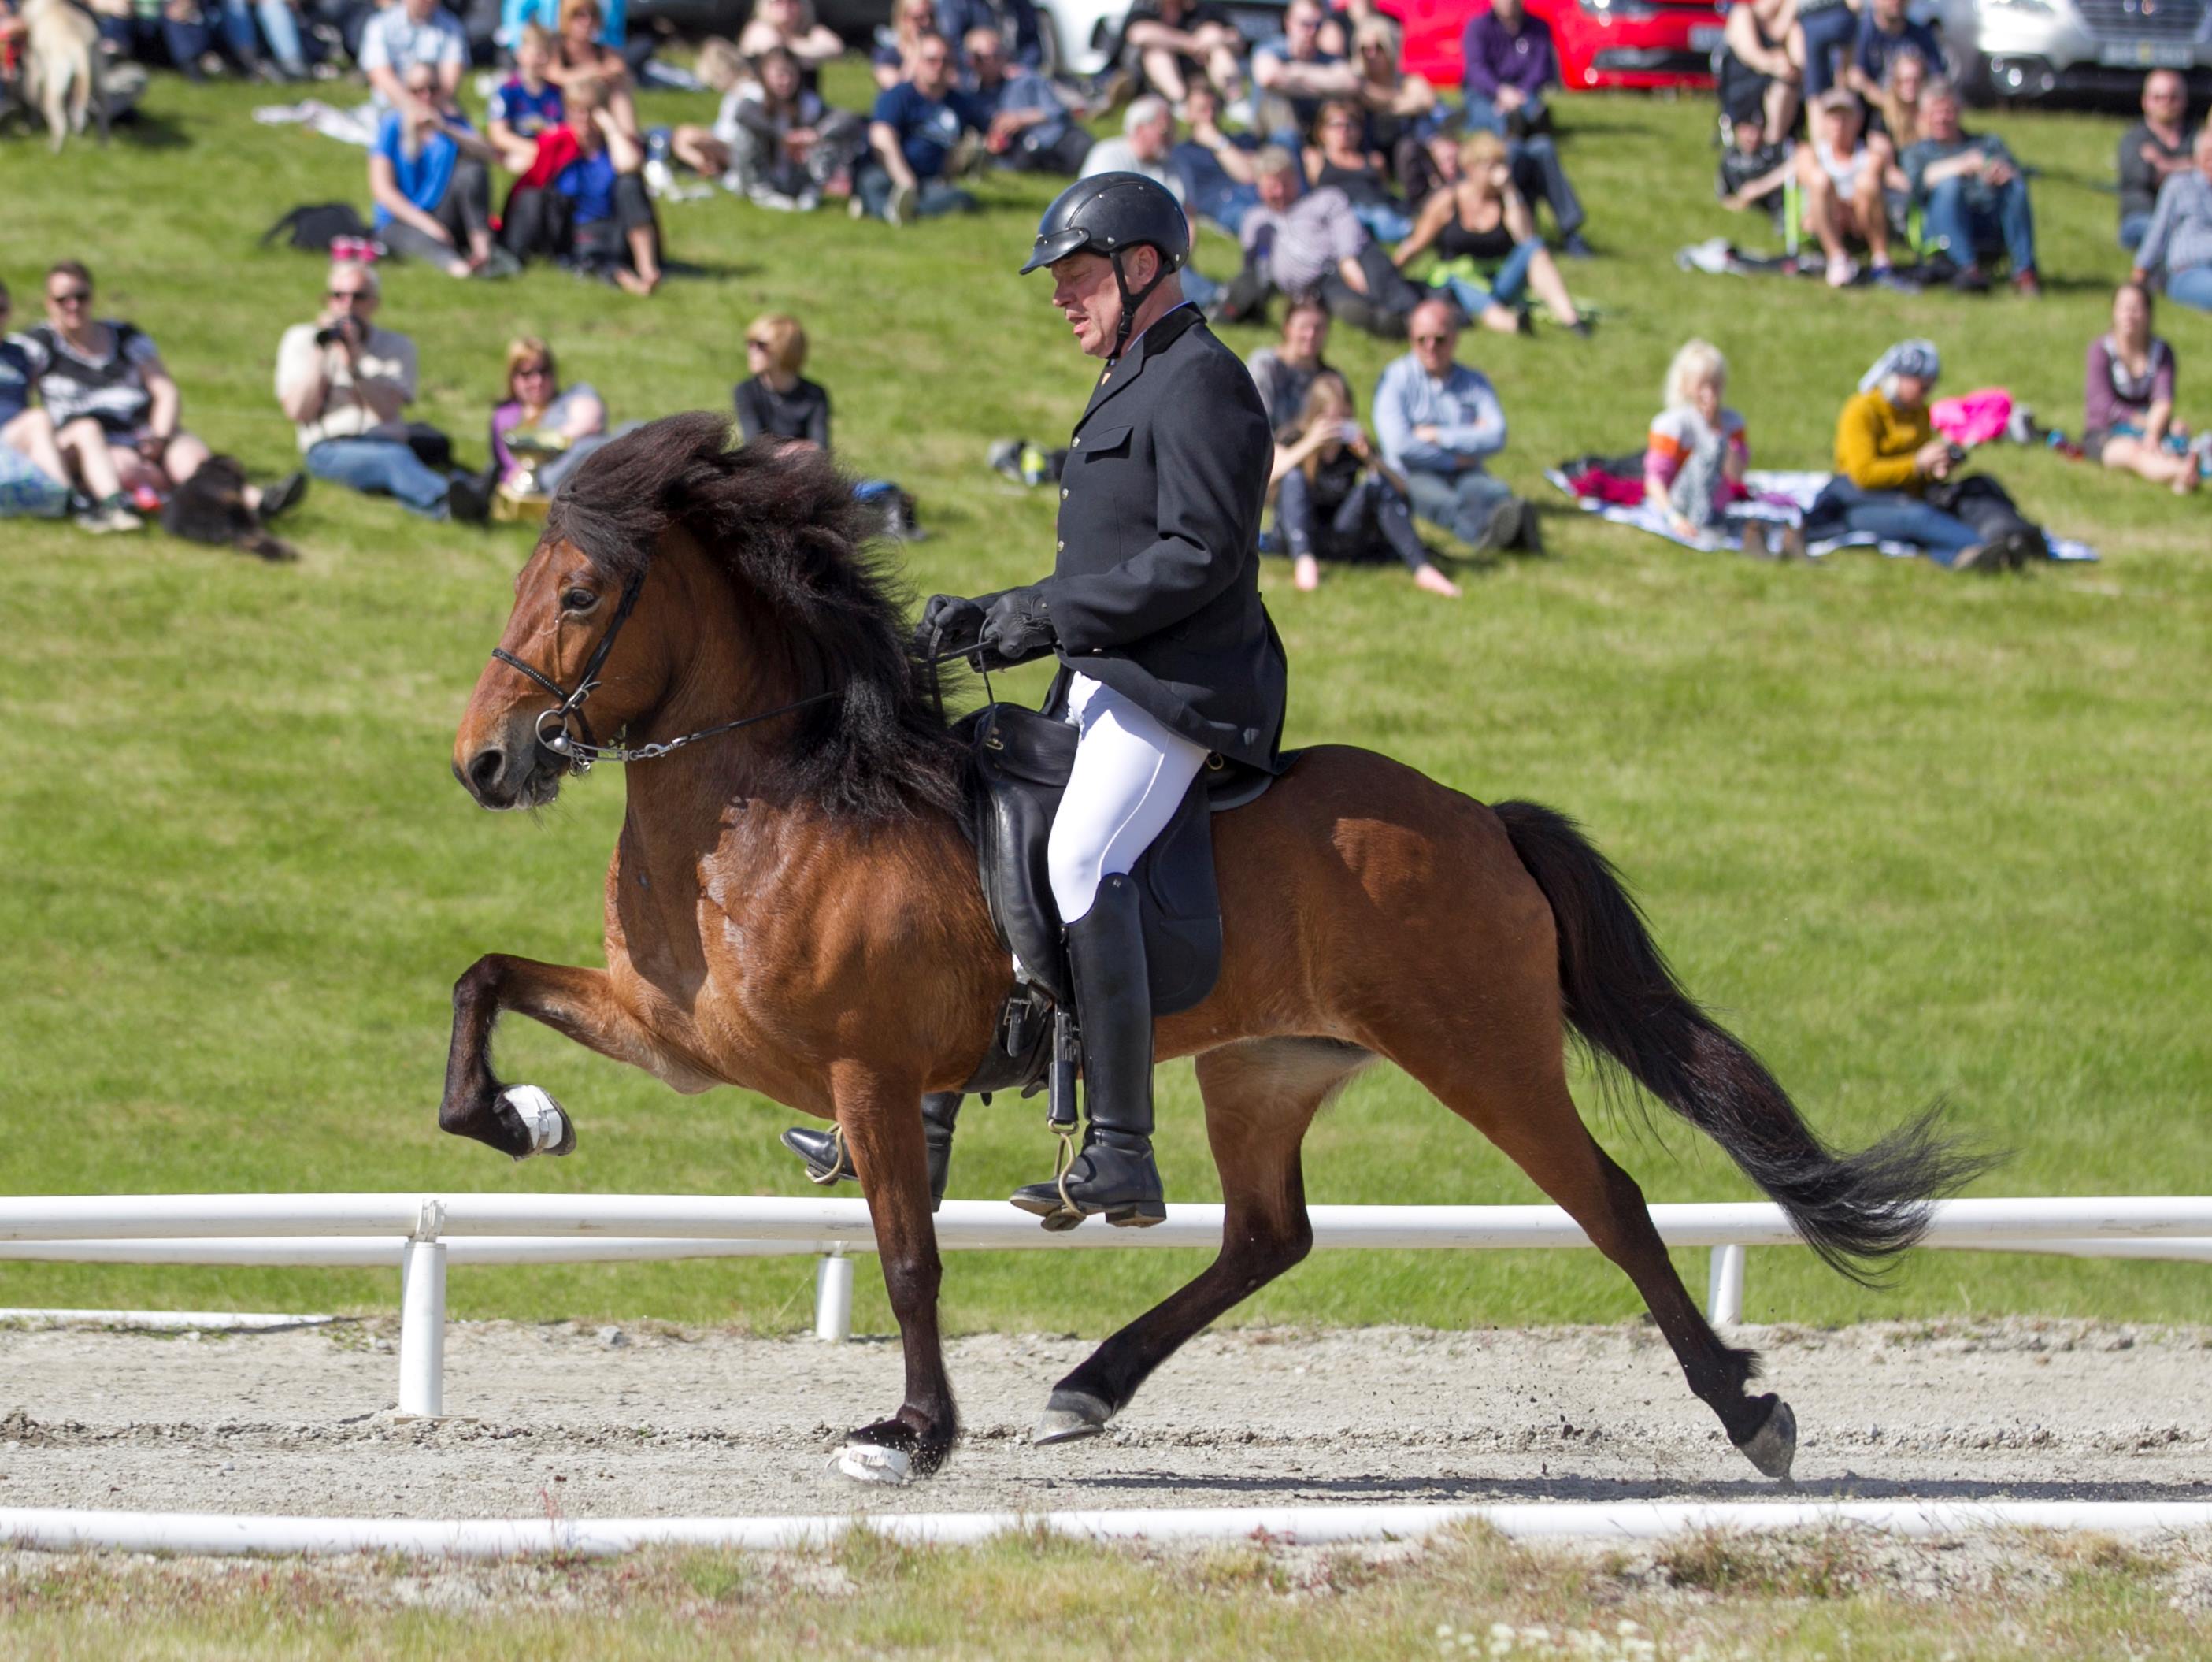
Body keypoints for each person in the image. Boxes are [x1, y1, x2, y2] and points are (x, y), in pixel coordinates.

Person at [877, 173, 1280, 1230]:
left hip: (1179, 688)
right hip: (1108, 672)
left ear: (1142, 266)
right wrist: (998, 616)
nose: (1062, 296)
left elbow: (1200, 555)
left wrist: (1044, 610)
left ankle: (1123, 1151)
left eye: (1079, 274)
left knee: (1079, 856)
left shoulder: (1200, 380)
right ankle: (903, 1117)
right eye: (1058, 279)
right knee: (969, 819)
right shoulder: (1134, 373)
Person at [19, 261, 300, 530]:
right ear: (49, 304)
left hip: (146, 431)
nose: (73, 306)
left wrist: (160, 437)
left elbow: (164, 389)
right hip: (96, 444)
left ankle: (258, 501)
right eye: (63, 299)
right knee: (126, 467)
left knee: (190, 458)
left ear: (92, 297)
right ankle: (161, 505)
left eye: (81, 296)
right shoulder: (40, 344)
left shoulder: (124, 335)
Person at [274, 259, 485, 521]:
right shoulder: (300, 339)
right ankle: (450, 503)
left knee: (423, 450)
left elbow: (387, 412)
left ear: (374, 303)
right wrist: (321, 353)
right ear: (327, 300)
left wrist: (356, 365)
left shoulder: (397, 347)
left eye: (358, 296)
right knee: (393, 460)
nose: (347, 304)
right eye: (338, 295)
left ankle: (466, 493)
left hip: (387, 439)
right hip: (329, 449)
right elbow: (297, 411)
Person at [1806, 339, 2043, 570]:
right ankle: (1986, 549)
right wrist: (1917, 464)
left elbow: (1919, 468)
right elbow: (1862, 474)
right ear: (1897, 378)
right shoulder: (1861, 411)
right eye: (1922, 386)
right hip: (1860, 504)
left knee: (1974, 489)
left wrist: (1937, 468)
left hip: (1908, 496)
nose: (1926, 393)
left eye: (1931, 386)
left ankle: (1992, 546)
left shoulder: (1918, 412)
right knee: (1918, 518)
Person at [1373, 296, 1542, 554]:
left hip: (1466, 471)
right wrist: (1455, 457)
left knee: (1495, 492)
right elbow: (1399, 446)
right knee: (1447, 503)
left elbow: (1496, 436)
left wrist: (1438, 435)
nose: (1430, 347)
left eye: (1439, 339)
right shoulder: (1395, 380)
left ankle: (1514, 527)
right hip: (1412, 473)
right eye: (1422, 340)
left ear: (1455, 338)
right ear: (1411, 339)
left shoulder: (1474, 382)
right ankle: (1488, 537)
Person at [1273, 372, 1458, 595]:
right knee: (1294, 478)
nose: (1336, 427)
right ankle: (1305, 563)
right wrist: (1309, 444)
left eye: (1343, 418)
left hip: (1341, 533)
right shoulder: (1293, 438)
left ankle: (1422, 568)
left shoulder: (1354, 449)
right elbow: (1265, 481)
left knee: (1376, 484)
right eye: (1331, 419)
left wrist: (1372, 460)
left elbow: (1402, 490)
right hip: (1299, 534)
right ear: (1315, 416)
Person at [1392, 129, 1587, 335]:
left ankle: (1571, 320)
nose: (1499, 173)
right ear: (1470, 168)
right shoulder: (1448, 200)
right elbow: (1416, 244)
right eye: (1491, 167)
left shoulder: (1507, 199)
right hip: (1460, 282)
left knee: (1535, 247)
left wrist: (1510, 191)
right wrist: (1389, 274)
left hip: (1498, 279)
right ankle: (1511, 324)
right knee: (1459, 282)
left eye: (1502, 165)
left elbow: (1525, 238)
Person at [498, 74, 665, 293]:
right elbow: (531, 176)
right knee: (536, 200)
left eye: (589, 111)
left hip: (616, 228)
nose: (583, 118)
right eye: (576, 111)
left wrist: (610, 128)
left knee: (629, 185)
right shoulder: (559, 144)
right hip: (574, 232)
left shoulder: (614, 146)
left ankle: (647, 268)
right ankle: (630, 282)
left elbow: (630, 165)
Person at [1240, 145, 1427, 336]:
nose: (1279, 192)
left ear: (1296, 179)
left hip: (1352, 259)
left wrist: (1347, 259)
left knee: (1381, 279)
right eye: (1272, 187)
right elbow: (1252, 266)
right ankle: (1401, 326)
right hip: (1319, 287)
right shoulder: (1255, 221)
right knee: (1354, 311)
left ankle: (1421, 318)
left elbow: (1346, 228)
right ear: (1259, 187)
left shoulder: (1322, 200)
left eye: (1285, 184)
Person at [1643, 339, 1802, 557]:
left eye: (1715, 384)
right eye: (1702, 385)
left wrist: (1719, 434)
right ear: (1685, 385)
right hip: (1680, 502)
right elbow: (1654, 481)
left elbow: (1736, 476)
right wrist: (1673, 517)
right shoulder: (1671, 425)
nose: (1709, 393)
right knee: (1707, 454)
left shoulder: (1732, 422)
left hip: (1718, 506)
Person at [369, 64, 508, 278]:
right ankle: (460, 269)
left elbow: (490, 153)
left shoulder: (449, 123)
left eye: (432, 89)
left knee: (472, 171)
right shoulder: (392, 126)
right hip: (401, 219)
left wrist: (444, 128)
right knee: (419, 239)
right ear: (407, 93)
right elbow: (383, 191)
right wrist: (430, 226)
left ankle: (484, 252)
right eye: (417, 91)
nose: (425, 97)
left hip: (442, 211)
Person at [1903, 80, 2038, 295]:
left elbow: (2014, 171)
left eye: (1947, 111)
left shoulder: (1987, 143)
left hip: (1988, 218)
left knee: (2015, 187)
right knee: (1949, 187)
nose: (1942, 118)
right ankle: (1968, 270)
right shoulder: (1916, 152)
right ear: (1924, 116)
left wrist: (1999, 172)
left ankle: (2025, 273)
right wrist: (1963, 165)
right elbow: (1920, 181)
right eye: (1935, 112)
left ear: (1958, 112)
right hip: (1942, 226)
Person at [2085, 282, 2204, 495]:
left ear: (2149, 314)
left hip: (2154, 430)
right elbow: (2103, 406)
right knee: (2136, 453)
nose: (2129, 315)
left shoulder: (2162, 352)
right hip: (2106, 433)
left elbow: (2163, 398)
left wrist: (2153, 431)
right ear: (2114, 312)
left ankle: (2182, 478)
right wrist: (2145, 423)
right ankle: (2181, 472)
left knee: (2171, 440)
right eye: (2124, 308)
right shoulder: (2101, 351)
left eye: (2136, 308)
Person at [859, 30, 987, 222]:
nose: (938, 66)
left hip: (930, 181)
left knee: (963, 200)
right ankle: (893, 208)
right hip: (891, 174)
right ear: (917, 62)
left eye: (945, 61)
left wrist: (978, 151)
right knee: (871, 183)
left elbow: (988, 135)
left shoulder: (960, 103)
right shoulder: (897, 96)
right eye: (931, 60)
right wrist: (905, 180)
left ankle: (902, 211)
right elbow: (882, 138)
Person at [718, 44, 864, 207]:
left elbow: (848, 118)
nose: (786, 81)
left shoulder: (808, 103)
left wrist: (815, 135)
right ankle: (760, 191)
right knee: (745, 136)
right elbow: (743, 115)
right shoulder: (752, 97)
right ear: (765, 74)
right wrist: (783, 136)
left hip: (795, 173)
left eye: (791, 74)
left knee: (832, 135)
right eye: (780, 74)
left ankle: (811, 189)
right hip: (764, 171)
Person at [1794, 89, 1905, 289]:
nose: (1839, 124)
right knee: (1821, 182)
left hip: (1859, 220)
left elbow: (1880, 179)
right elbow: (1807, 177)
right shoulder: (1810, 154)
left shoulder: (1870, 157)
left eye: (1845, 118)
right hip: (1827, 218)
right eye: (1833, 118)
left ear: (1858, 121)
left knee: (1867, 184)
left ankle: (1881, 259)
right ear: (1824, 122)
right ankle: (1837, 257)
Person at [0, 279, 85, 526]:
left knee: (77, 429)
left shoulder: (20, 353)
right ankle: (69, 498)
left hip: (17, 440)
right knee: (38, 420)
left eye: (2, 310)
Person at [488, 336, 610, 496]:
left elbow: (590, 423)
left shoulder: (574, 395)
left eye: (543, 371)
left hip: (583, 464)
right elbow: (511, 469)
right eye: (527, 374)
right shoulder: (504, 416)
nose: (537, 381)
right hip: (540, 484)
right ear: (513, 378)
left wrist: (545, 444)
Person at [965, 24, 1087, 175]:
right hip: (1022, 156)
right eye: (982, 58)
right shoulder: (971, 97)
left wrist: (1021, 119)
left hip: (1059, 140)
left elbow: (1058, 111)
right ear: (970, 61)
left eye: (996, 55)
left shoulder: (1025, 80)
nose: (991, 62)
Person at [1304, 98, 1410, 243]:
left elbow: (1385, 191)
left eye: (1350, 125)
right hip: (1343, 216)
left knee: (1383, 217)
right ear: (1322, 131)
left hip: (1377, 211)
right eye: (1336, 125)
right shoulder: (1316, 159)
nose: (1344, 131)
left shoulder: (1373, 160)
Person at [1251, 0, 1355, 144]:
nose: (1311, 32)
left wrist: (1297, 72)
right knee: (1281, 111)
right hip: (1271, 137)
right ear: (1288, 23)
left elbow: (1350, 83)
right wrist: (1324, 85)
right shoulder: (1271, 49)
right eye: (1305, 24)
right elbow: (1268, 77)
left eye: (1317, 25)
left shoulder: (1328, 58)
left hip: (1316, 134)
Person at [2132, 126, 2212, 312]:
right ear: (2196, 157)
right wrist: (2139, 274)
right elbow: (2158, 232)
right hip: (2190, 270)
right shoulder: (2180, 185)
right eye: (2209, 154)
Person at [1169, 81, 1262, 233]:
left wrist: (1219, 142)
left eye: (1214, 109)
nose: (1210, 116)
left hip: (1256, 196)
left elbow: (1250, 174)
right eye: (1202, 110)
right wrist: (1217, 142)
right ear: (1188, 114)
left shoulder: (1242, 140)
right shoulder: (1181, 153)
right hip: (1225, 206)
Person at [1118, 0, 1247, 109]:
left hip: (1199, 66)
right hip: (1149, 76)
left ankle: (1235, 101)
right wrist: (1190, 44)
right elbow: (1138, 34)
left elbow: (1237, 39)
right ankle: (1181, 104)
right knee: (1156, 53)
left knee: (1218, 49)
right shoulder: (1146, 6)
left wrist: (1216, 37)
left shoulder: (1203, 7)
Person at [2118, 69, 2194, 252]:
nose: (2166, 103)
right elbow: (2150, 177)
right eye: (2158, 97)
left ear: (2185, 100)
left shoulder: (2196, 137)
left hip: (2189, 220)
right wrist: (2193, 164)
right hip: (2143, 218)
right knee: (2165, 233)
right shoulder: (2133, 140)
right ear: (2145, 101)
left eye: (2173, 97)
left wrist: (2163, 163)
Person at [732, 311, 831, 449]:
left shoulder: (814, 395)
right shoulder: (746, 391)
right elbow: (754, 446)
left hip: (806, 470)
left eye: (760, 345)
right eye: (750, 344)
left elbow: (821, 448)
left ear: (784, 349)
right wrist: (799, 448)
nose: (751, 351)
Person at [1460, 0, 1555, 138]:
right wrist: (1500, 92)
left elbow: (1541, 68)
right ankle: (1511, 125)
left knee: (1533, 108)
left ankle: (1531, 121)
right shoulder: (1478, 28)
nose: (1508, 2)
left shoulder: (1538, 28)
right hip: (1486, 91)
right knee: (1488, 114)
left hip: (1523, 91)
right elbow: (1476, 69)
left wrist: (1520, 92)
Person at [1245, 299, 1336, 437]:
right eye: (1304, 327)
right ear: (1287, 328)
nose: (1311, 335)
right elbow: (1257, 429)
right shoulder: (1265, 366)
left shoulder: (1331, 378)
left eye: (1318, 328)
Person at [357, 0, 466, 115]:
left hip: (437, 111)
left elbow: (449, 84)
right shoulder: (379, 24)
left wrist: (429, 110)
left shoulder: (452, 26)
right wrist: (412, 109)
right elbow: (381, 77)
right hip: (390, 110)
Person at [546, 0, 636, 138]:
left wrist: (602, 73)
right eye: (579, 15)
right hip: (562, 109)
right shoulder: (557, 46)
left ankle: (630, 138)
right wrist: (592, 71)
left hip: (595, 109)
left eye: (592, 15)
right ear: (567, 18)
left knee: (620, 88)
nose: (586, 21)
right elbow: (555, 75)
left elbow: (619, 69)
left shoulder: (601, 49)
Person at [1718, 0, 1800, 146]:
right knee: (1781, 85)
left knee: (1784, 87)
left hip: (1776, 85)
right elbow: (1753, 56)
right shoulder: (1743, 14)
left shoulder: (1789, 25)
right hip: (1744, 85)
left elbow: (1799, 60)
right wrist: (1777, 64)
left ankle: (1774, 145)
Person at [1844, 0, 1940, 106]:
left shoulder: (1922, 36)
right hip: (1871, 111)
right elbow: (1854, 77)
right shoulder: (1860, 31)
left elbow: (1937, 78)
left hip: (1912, 110)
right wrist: (1886, 103)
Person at [487, 20, 563, 151]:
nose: (544, 59)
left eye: (548, 54)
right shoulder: (507, 90)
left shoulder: (557, 92)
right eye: (538, 54)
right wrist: (532, 149)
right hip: (522, 154)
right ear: (520, 54)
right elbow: (498, 134)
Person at [737, 0, 843, 91]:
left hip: (804, 105)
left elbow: (835, 48)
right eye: (779, 2)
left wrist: (793, 44)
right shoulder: (758, 29)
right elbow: (776, 52)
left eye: (792, 1)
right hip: (764, 106)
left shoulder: (809, 32)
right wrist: (808, 51)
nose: (786, 6)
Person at [1717, 107, 1795, 221]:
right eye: (1747, 129)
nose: (1753, 136)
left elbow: (1798, 164)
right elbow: (1723, 197)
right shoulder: (1730, 158)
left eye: (1757, 129)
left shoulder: (1776, 152)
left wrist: (1759, 187)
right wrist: (1739, 202)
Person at [871, 0, 936, 90]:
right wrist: (917, 50)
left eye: (932, 17)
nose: (927, 23)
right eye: (919, 18)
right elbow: (897, 90)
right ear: (903, 19)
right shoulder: (887, 55)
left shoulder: (944, 53)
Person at [1876, 43, 1927, 150]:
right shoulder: (1884, 116)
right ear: (1896, 82)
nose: (1911, 86)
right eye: (1906, 80)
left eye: (1916, 80)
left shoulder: (1931, 112)